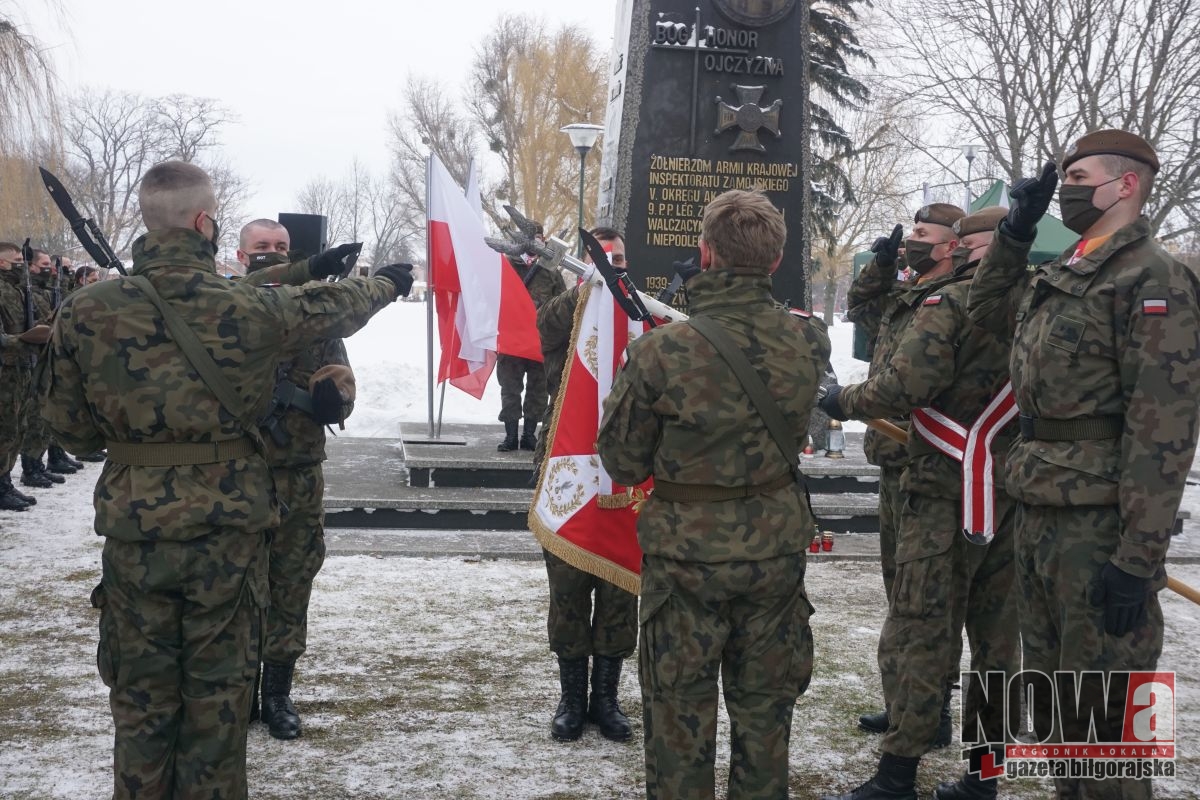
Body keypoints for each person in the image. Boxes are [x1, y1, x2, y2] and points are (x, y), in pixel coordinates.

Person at [38, 160, 413, 798]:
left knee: (141, 710)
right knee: (217, 714)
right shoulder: (248, 308)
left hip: (137, 540)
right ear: (208, 224)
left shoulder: (85, 311)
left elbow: (70, 432)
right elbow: (338, 305)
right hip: (227, 539)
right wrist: (387, 282)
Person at [966, 131, 1200, 800]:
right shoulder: (1067, 268)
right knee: (1057, 720)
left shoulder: (1152, 277)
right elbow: (983, 314)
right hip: (1040, 513)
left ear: (1126, 185)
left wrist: (1138, 555)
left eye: (1080, 176)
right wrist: (1014, 231)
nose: (1066, 188)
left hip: (1100, 530)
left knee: (1110, 741)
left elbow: (1165, 428)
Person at [597, 190, 831, 799]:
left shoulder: (659, 351)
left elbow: (621, 462)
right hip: (775, 558)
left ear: (704, 255)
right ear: (775, 261)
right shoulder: (808, 340)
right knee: (765, 720)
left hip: (686, 562)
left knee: (678, 720)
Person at [843, 204, 965, 740]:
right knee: (902, 594)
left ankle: (931, 713)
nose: (913, 240)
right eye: (910, 232)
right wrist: (883, 262)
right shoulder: (904, 295)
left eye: (921, 234)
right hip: (895, 461)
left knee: (930, 600)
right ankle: (907, 704)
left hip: (933, 461)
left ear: (949, 247)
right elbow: (860, 306)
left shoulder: (955, 300)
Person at [236, 217, 361, 740]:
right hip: (236, 475)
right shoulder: (222, 311)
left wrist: (337, 397)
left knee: (291, 582)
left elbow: (343, 377)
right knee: (238, 586)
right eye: (262, 247)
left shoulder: (318, 315)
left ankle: (278, 694)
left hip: (299, 475)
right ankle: (239, 692)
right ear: (242, 256)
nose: (273, 254)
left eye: (282, 247)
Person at [534, 226, 639, 743]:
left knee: (619, 587)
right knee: (569, 591)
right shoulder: (566, 307)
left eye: (618, 259)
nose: (611, 266)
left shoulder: (637, 316)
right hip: (569, 469)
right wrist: (586, 289)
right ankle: (571, 698)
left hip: (625, 468)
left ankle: (607, 699)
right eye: (602, 258)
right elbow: (545, 329)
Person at [496, 224, 564, 451]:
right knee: (510, 388)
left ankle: (528, 435)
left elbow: (561, 303)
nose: (535, 242)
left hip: (540, 341)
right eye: (530, 238)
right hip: (511, 340)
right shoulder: (506, 265)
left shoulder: (550, 270)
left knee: (538, 390)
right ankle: (510, 436)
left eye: (538, 238)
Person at [0, 242, 51, 511]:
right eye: (18, 259)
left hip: (21, 367)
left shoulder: (18, 291)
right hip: (4, 370)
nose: (21, 263)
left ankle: (5, 481)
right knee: (5, 429)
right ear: (2, 262)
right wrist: (22, 340)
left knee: (17, 427)